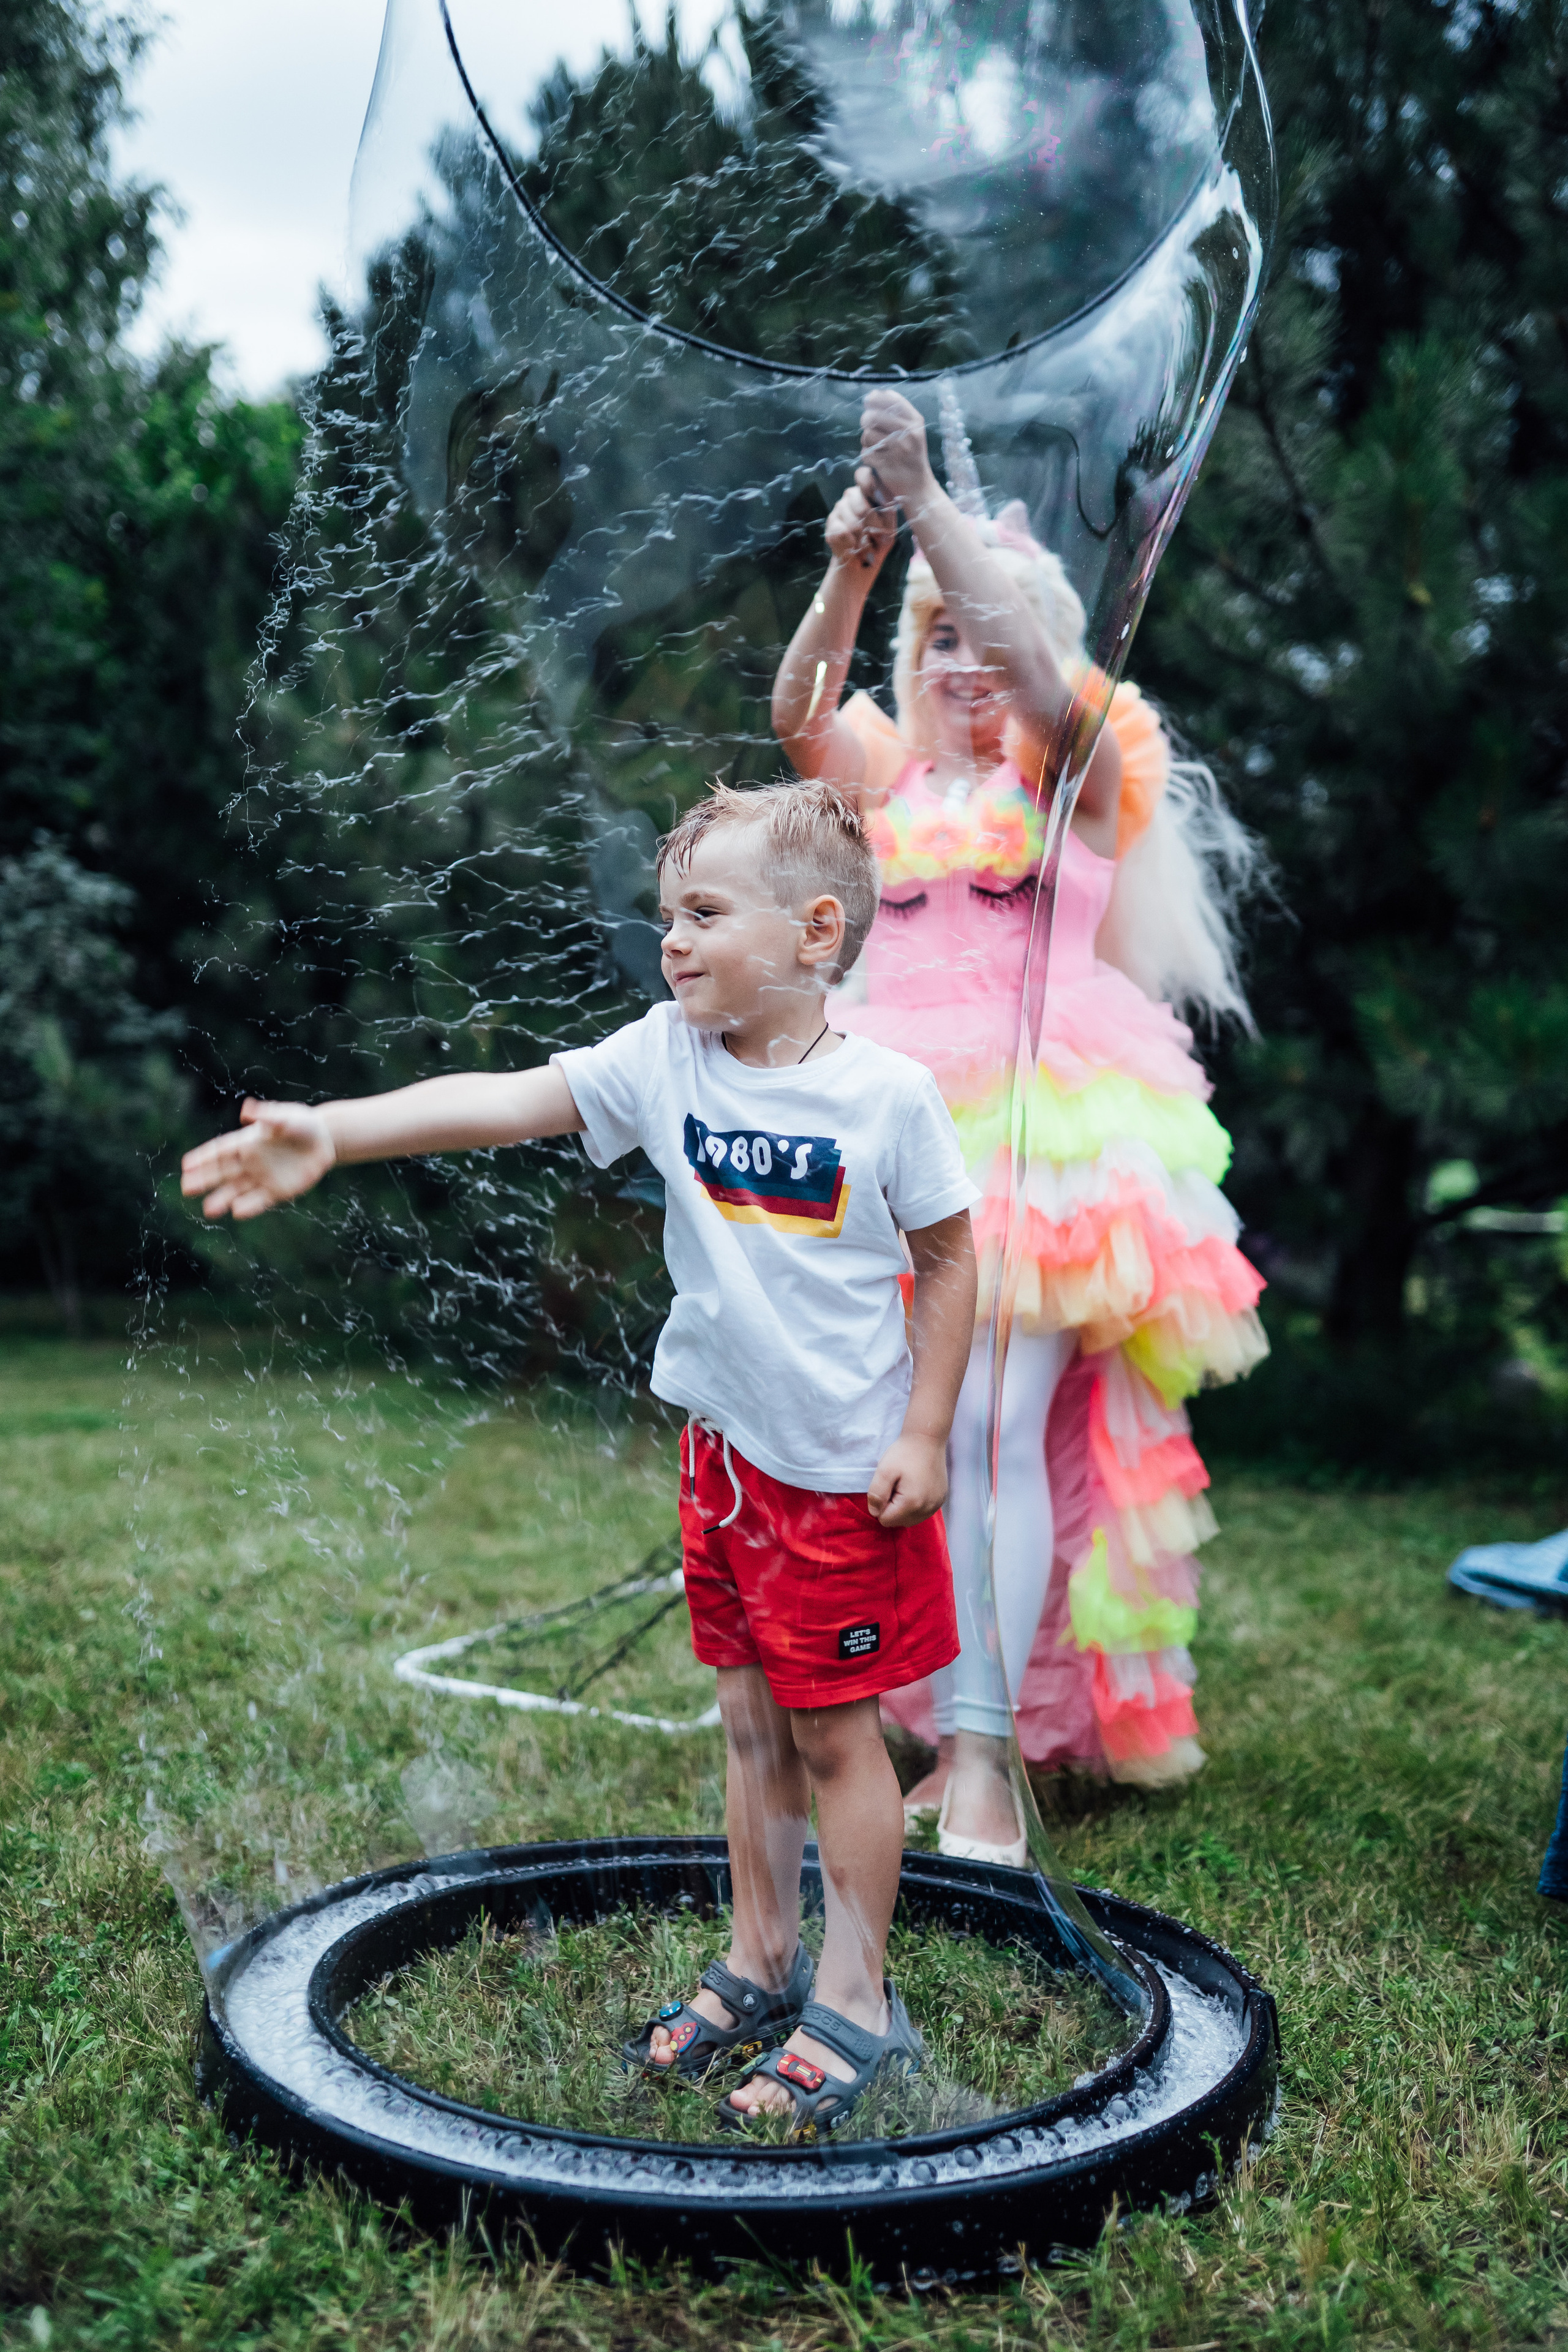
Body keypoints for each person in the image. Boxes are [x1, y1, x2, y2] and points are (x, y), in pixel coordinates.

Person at [181, 778, 979, 2136]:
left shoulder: (886, 1098)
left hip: (840, 1477)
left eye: (705, 914)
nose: (671, 941)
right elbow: (504, 1100)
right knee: (743, 1723)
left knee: (837, 1741)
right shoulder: (666, 1056)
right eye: (669, 914)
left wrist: (922, 1430)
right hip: (724, 1464)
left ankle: (856, 2000)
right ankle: (761, 1955)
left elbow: (952, 1255)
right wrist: (337, 1129)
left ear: (816, 931)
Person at [772, 387, 1267, 1861]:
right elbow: (796, 714)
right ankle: (927, 1727)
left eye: (981, 634)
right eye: (939, 641)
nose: (962, 661)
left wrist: (928, 507)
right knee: (888, 1433)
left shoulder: (1087, 760)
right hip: (894, 1134)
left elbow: (1050, 684)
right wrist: (859, 569)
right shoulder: (891, 779)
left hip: (1046, 1139)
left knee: (983, 1428)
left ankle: (984, 1762)